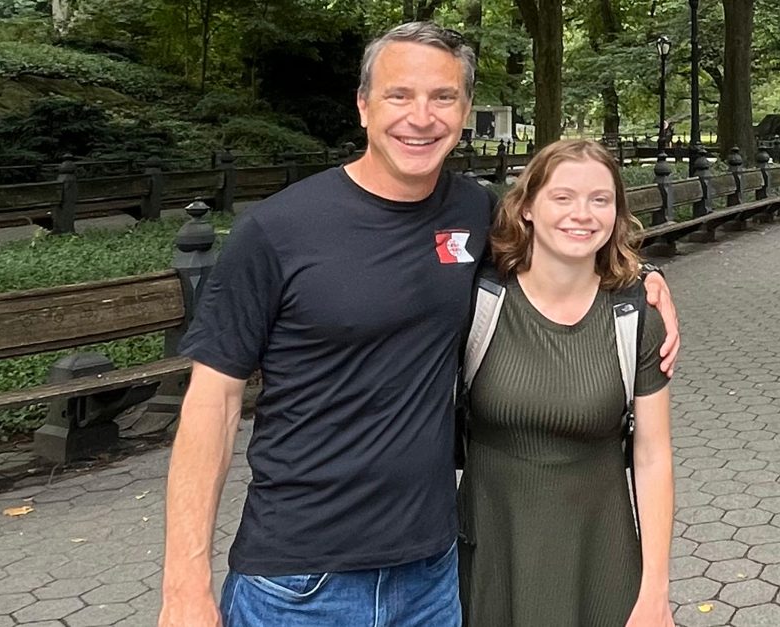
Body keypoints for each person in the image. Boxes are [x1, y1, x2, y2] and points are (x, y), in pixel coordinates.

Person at [159, 22, 679, 627]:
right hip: (300, 577)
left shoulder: (474, 212)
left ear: (463, 112)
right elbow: (212, 406)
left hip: (434, 572)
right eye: (399, 95)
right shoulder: (277, 232)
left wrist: (645, 278)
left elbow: (564, 241)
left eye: (443, 97)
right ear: (362, 106)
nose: (421, 117)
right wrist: (185, 586)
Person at [458, 139, 675, 627]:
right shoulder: (480, 301)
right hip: (491, 554)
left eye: (600, 199)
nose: (583, 214)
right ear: (528, 206)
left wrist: (655, 590)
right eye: (563, 197)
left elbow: (653, 454)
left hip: (600, 557)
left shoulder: (636, 314)